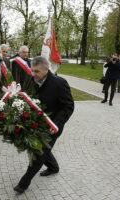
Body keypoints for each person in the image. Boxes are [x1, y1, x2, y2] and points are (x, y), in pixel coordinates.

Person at [14, 56, 74, 193]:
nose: (33, 75)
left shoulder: (59, 83)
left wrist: (56, 123)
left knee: (39, 152)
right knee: (41, 149)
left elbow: (68, 106)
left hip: (52, 126)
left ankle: (23, 184)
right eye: (32, 71)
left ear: (46, 69)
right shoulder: (30, 79)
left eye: (37, 72)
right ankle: (53, 167)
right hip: (35, 123)